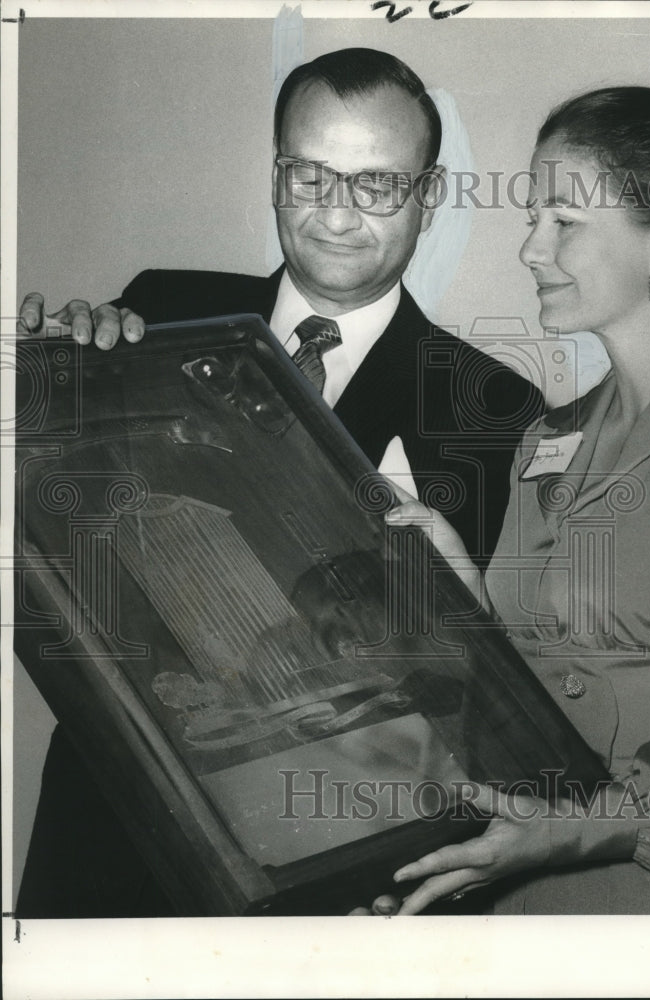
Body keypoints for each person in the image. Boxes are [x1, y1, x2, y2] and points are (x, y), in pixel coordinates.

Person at [15, 48, 542, 918]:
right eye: (311, 175)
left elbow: (490, 693)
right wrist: (49, 382)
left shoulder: (497, 406)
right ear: (275, 175)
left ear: (431, 197)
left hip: (323, 864)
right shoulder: (157, 309)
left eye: (377, 184)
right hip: (105, 847)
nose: (337, 214)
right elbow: (63, 531)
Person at [353, 79, 650, 916]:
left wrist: (561, 828)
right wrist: (464, 596)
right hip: (527, 895)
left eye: (565, 223)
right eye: (531, 220)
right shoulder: (545, 441)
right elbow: (523, 699)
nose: (532, 250)